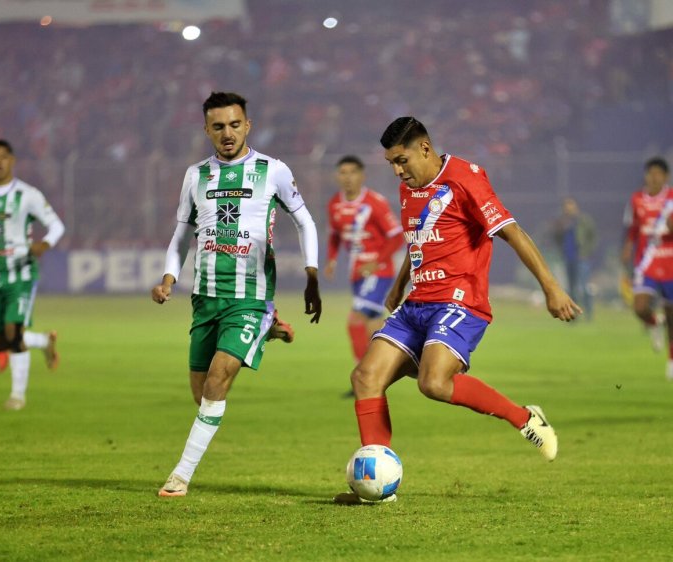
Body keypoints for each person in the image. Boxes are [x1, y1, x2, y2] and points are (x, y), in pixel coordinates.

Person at [335, 117, 580, 504]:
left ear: (425, 149)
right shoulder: (408, 188)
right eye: (391, 164)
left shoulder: (466, 178)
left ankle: (525, 418)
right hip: (417, 302)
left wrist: (551, 289)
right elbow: (419, 238)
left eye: (402, 160)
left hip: (460, 302)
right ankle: (377, 489)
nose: (398, 172)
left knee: (432, 383)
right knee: (365, 377)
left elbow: (512, 231)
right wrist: (400, 283)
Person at [152, 92, 322, 497]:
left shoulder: (273, 170)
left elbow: (305, 221)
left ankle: (180, 475)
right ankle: (269, 329)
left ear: (247, 125)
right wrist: (168, 278)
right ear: (207, 130)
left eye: (234, 125)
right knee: (202, 396)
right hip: (206, 298)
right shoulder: (196, 176)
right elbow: (181, 234)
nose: (227, 134)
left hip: (250, 295)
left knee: (218, 380)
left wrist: (311, 273)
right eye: (217, 127)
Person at [0, 140, 64, 410]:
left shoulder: (28, 195)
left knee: (13, 332)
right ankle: (43, 342)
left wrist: (44, 244)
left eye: (3, 157)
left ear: (12, 161)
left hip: (22, 274)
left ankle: (17, 396)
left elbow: (56, 225)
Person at [324, 155, 403, 393]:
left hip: (378, 272)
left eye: (352, 172)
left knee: (355, 320)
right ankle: (378, 373)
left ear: (362, 175)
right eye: (343, 173)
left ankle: (363, 375)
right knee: (373, 325)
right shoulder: (334, 204)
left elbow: (397, 236)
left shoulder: (374, 203)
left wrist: (376, 262)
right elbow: (335, 234)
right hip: (356, 273)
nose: (347, 178)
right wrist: (332, 259)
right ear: (337, 176)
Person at [622, 157, 673, 380]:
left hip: (670, 262)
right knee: (640, 307)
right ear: (646, 175)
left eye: (658, 174)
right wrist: (627, 247)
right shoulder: (637, 199)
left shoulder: (671, 199)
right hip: (646, 262)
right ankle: (654, 322)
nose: (654, 177)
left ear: (665, 177)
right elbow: (633, 227)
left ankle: (671, 360)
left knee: (672, 317)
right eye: (651, 173)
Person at [552, 197, 597, 320]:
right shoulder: (562, 222)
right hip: (568, 258)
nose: (568, 209)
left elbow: (593, 237)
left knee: (583, 287)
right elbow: (556, 237)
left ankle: (588, 314)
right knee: (571, 289)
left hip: (582, 258)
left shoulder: (583, 220)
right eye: (566, 206)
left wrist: (587, 252)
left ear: (576, 207)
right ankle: (574, 315)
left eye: (571, 206)